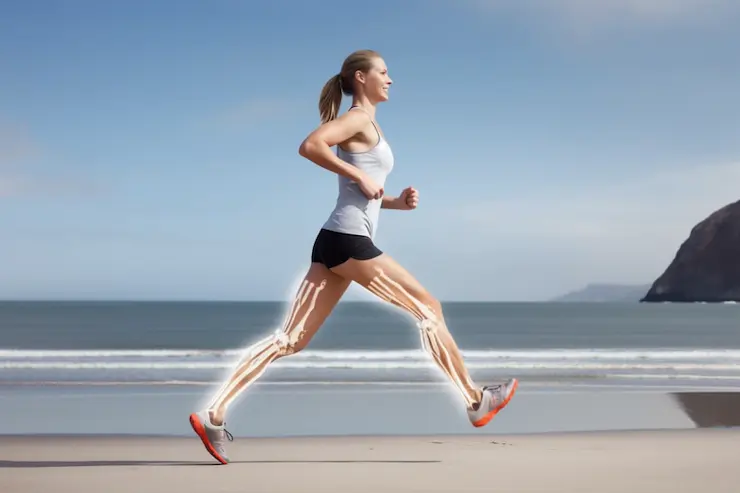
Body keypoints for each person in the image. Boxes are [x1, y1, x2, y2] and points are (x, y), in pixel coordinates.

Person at [188, 49, 518, 464]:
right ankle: (475, 400)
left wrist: (395, 202)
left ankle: (213, 413)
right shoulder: (358, 119)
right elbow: (310, 145)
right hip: (348, 242)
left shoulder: (367, 124)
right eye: (383, 72)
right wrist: (359, 173)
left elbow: (363, 196)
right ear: (360, 78)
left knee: (289, 340)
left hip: (333, 240)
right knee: (429, 310)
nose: (390, 79)